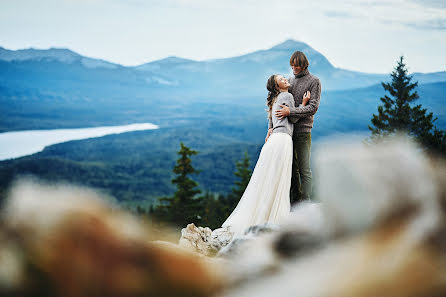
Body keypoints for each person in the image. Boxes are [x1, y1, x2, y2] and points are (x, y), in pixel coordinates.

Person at [221, 74, 310, 238]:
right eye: (281, 80)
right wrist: (303, 104)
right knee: (279, 179)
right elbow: (294, 119)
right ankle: (274, 217)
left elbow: (272, 119)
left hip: (273, 141)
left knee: (267, 179)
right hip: (283, 140)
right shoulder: (287, 96)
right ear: (278, 87)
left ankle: (260, 214)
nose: (285, 80)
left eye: (284, 77)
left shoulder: (275, 99)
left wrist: (270, 128)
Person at [268, 51, 321, 204]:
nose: (294, 68)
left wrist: (291, 111)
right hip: (287, 132)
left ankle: (305, 204)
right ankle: (294, 204)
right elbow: (276, 105)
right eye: (292, 65)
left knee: (304, 170)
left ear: (305, 65)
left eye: (297, 65)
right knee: (291, 170)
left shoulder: (314, 81)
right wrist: (271, 127)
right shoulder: (290, 81)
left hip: (303, 131)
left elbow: (312, 108)